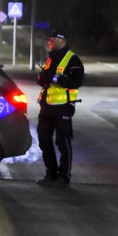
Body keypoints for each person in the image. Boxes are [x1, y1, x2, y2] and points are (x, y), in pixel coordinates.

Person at [35, 29, 84, 186]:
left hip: (62, 107)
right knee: (44, 140)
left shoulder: (73, 60)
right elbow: (45, 78)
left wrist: (55, 78)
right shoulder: (51, 57)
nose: (50, 42)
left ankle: (64, 177)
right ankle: (51, 174)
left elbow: (76, 82)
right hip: (47, 106)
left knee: (62, 142)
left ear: (61, 40)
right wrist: (42, 78)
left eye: (53, 39)